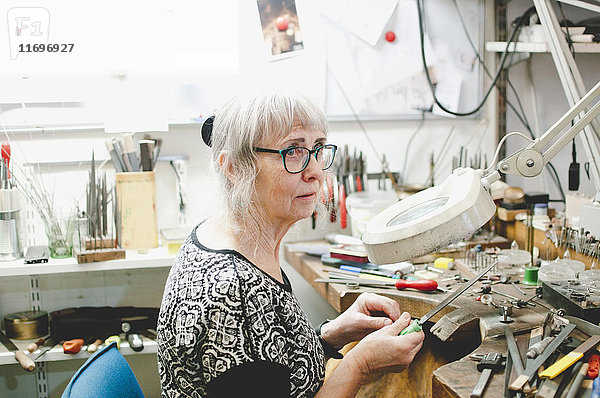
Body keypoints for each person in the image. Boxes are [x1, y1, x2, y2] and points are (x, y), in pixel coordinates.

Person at [156, 90, 424, 397]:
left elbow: (271, 361)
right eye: (292, 151)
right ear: (234, 168)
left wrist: (333, 334)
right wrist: (360, 363)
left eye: (318, 148)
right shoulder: (232, 292)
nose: (315, 172)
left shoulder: (229, 239)